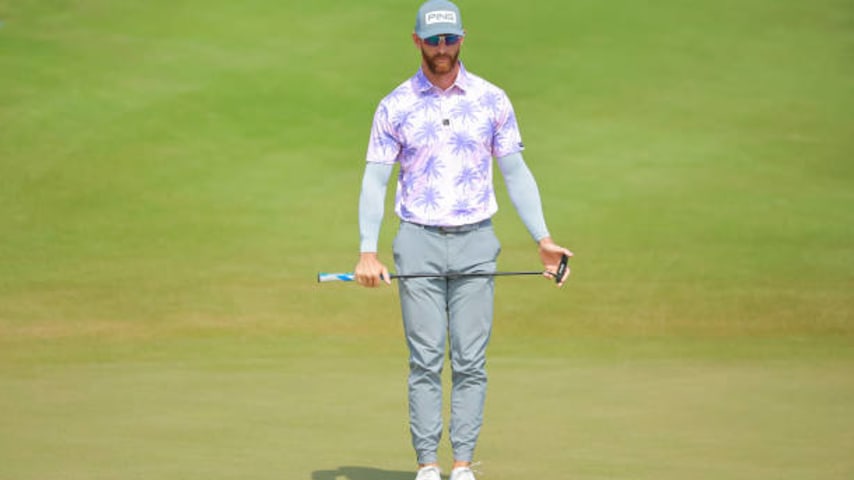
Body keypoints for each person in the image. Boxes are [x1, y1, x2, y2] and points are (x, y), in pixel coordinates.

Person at [353, 1, 573, 479]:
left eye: (448, 39)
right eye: (432, 40)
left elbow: (515, 173)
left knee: (471, 359)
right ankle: (428, 467)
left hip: (477, 240)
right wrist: (368, 251)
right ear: (416, 41)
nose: (441, 49)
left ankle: (463, 466)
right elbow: (375, 182)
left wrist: (544, 239)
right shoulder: (395, 105)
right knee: (426, 358)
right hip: (417, 241)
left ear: (462, 38)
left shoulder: (492, 100)